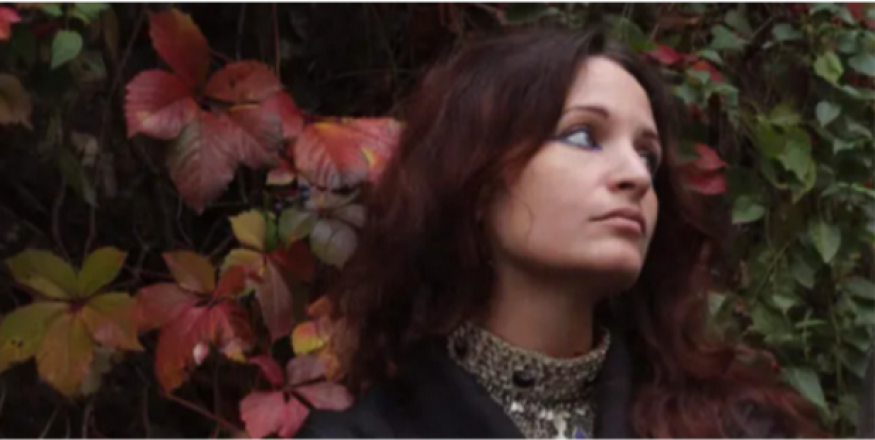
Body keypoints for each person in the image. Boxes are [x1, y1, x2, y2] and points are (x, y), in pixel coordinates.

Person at [297, 27, 825, 439]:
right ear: (476, 181)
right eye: (583, 136)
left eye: (648, 155)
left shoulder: (736, 429)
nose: (637, 175)